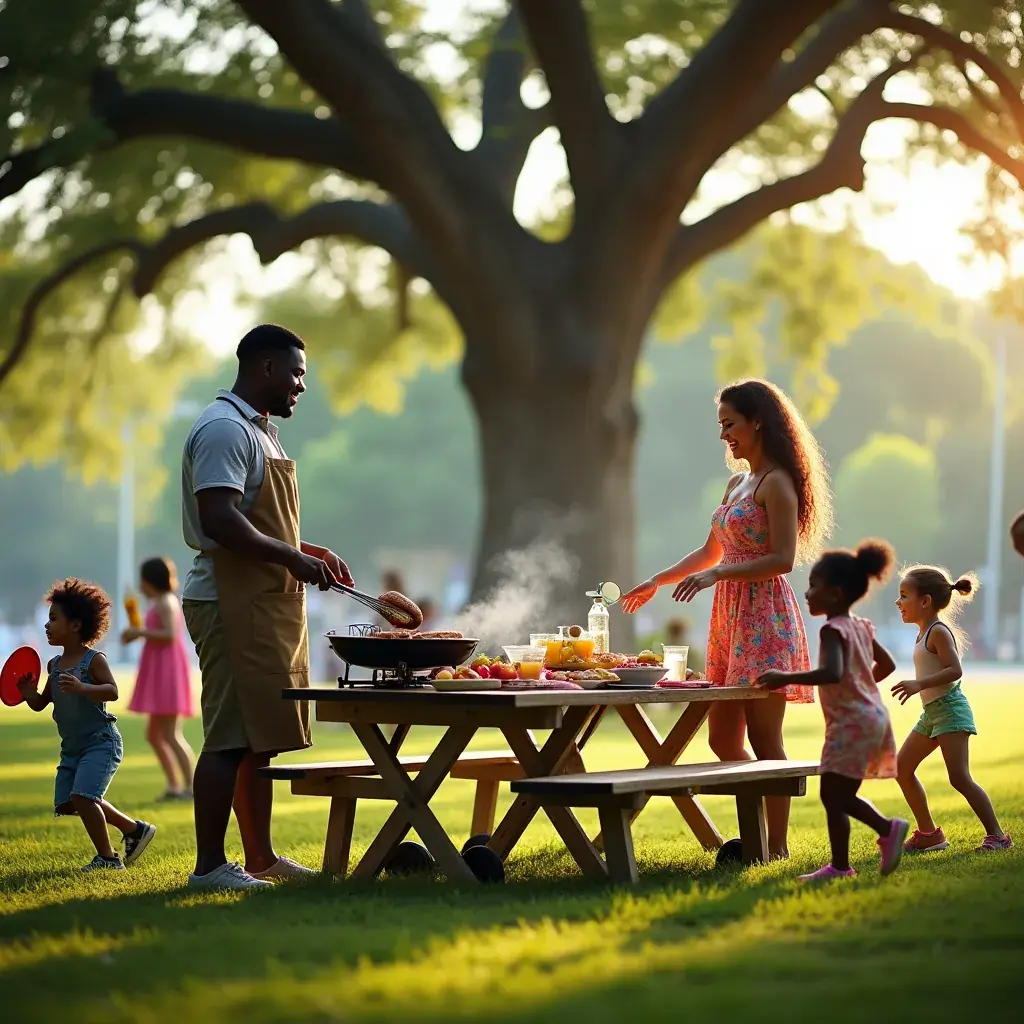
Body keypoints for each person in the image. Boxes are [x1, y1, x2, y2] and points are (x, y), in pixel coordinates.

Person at [621, 378, 832, 859]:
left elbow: (782, 558)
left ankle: (774, 848)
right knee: (722, 739)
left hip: (765, 618)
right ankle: (756, 839)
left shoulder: (778, 483)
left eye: (729, 424)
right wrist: (656, 580)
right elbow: (709, 549)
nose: (723, 436)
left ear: (757, 421)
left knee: (764, 739)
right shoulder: (738, 482)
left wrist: (720, 573)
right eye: (721, 426)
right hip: (730, 620)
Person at [181, 323, 355, 891]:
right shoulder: (224, 429)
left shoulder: (263, 433)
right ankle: (209, 867)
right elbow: (219, 519)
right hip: (226, 602)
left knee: (257, 738)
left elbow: (259, 520)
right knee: (230, 736)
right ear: (265, 368)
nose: (301, 386)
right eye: (297, 373)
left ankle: (260, 859)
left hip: (260, 599)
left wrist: (307, 551)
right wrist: (288, 555)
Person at [759, 541, 909, 881]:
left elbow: (832, 673)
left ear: (836, 594)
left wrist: (784, 676)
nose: (808, 594)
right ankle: (853, 856)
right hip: (873, 717)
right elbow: (886, 663)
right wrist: (861, 684)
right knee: (839, 795)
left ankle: (875, 838)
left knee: (832, 794)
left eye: (814, 586)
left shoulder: (832, 629)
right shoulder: (861, 626)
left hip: (851, 723)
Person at [17, 579, 156, 871]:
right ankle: (134, 830)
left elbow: (112, 691)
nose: (47, 625)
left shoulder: (94, 661)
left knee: (83, 797)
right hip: (72, 747)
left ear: (76, 625)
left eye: (54, 619)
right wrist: (29, 694)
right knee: (70, 802)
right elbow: (43, 702)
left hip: (100, 741)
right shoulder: (53, 665)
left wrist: (83, 689)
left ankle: (108, 858)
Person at [893, 566, 1012, 853]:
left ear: (925, 601)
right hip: (932, 713)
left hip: (950, 710)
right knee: (901, 768)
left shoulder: (938, 632)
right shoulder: (923, 633)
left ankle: (998, 836)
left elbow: (955, 670)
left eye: (904, 596)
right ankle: (929, 834)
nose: (898, 602)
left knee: (959, 777)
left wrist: (918, 684)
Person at [122, 557, 196, 800]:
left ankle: (190, 787)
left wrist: (140, 631)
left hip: (167, 673)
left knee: (171, 734)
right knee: (155, 735)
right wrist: (138, 633)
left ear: (149, 580)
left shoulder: (166, 602)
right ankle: (175, 786)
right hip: (160, 670)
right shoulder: (158, 602)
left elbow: (170, 634)